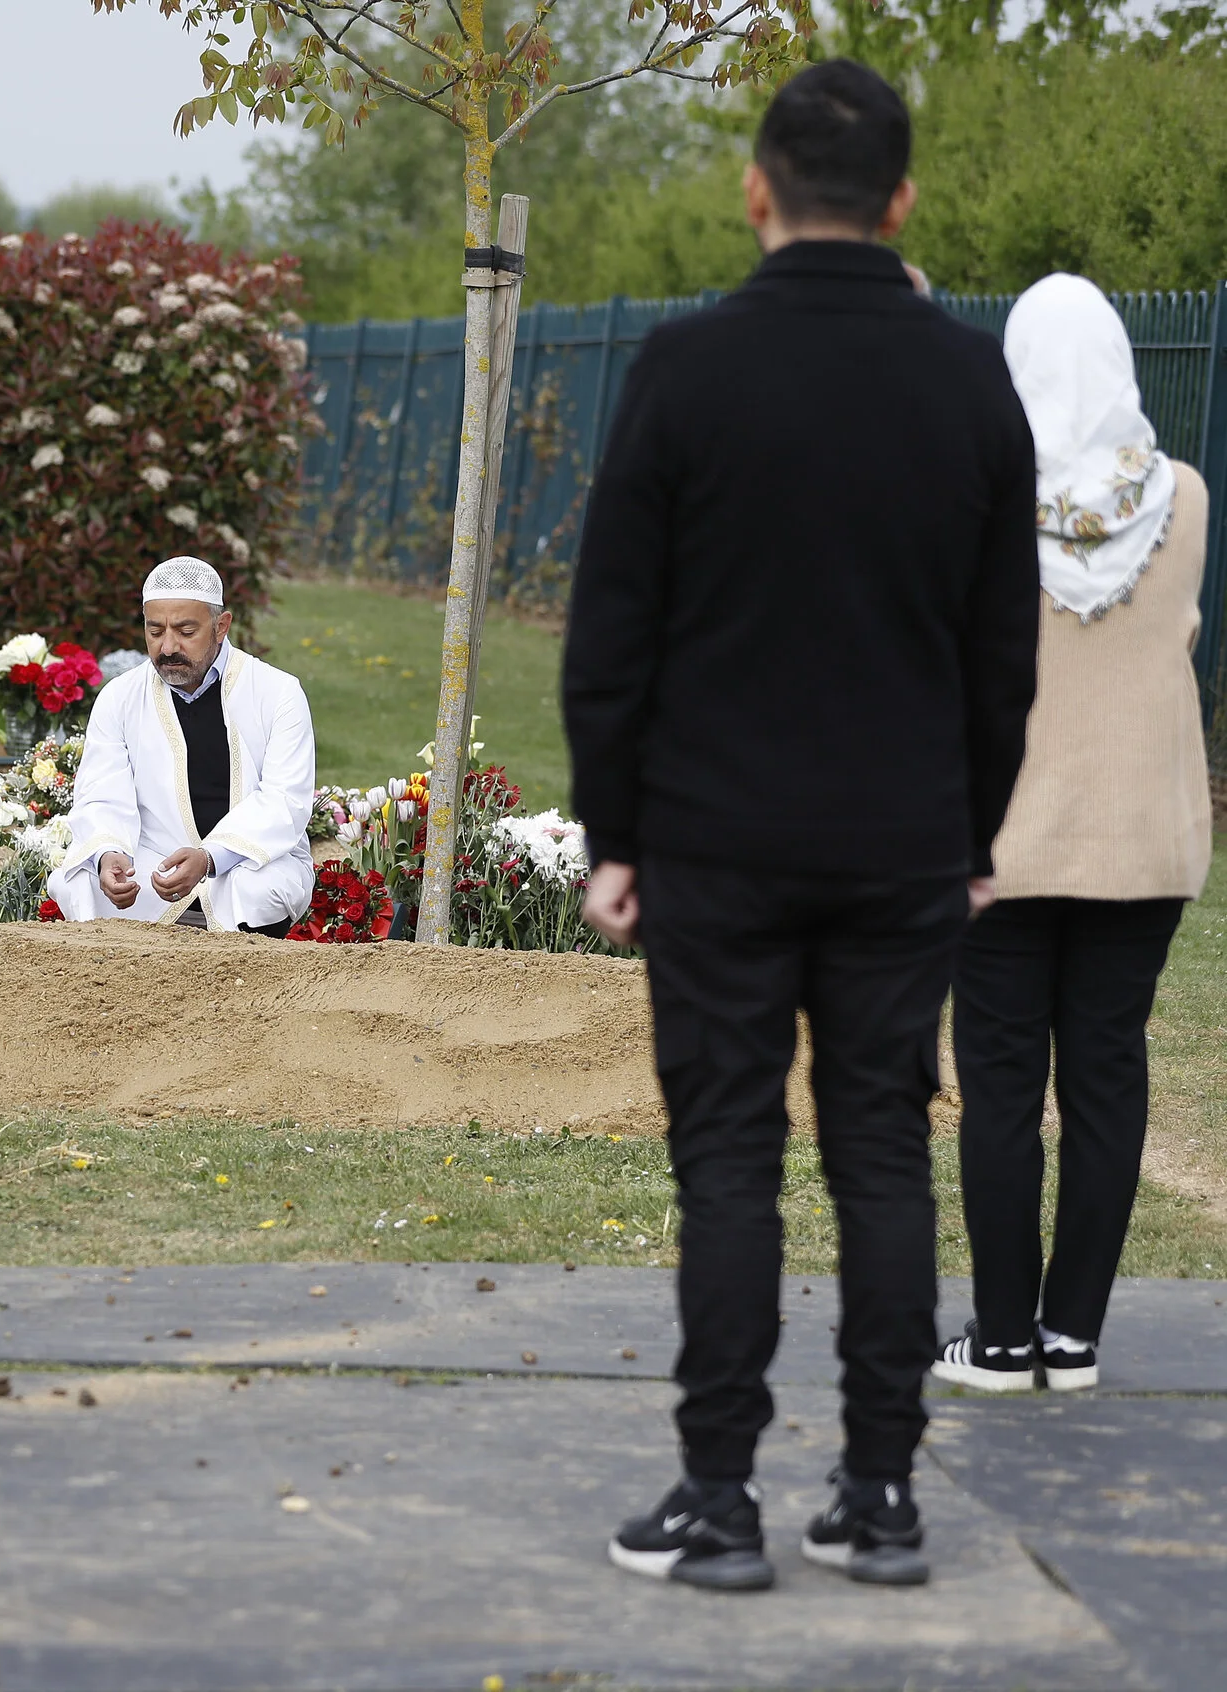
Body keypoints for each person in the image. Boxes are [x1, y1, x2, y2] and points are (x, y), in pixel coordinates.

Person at [562, 61, 1040, 1590]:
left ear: (757, 190)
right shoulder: (972, 384)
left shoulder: (685, 371)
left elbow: (612, 635)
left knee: (728, 1163)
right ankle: (882, 1496)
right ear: (903, 200)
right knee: (884, 1156)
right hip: (903, 838)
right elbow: (1001, 651)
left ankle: (718, 1499)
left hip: (715, 838)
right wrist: (972, 837)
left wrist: (615, 833)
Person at [933, 275, 1210, 1396]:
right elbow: (1181, 628)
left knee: (999, 1083)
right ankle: (1071, 1334)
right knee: (1107, 1070)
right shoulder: (1183, 497)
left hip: (1004, 835)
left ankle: (1000, 1338)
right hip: (1142, 836)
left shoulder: (976, 496)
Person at [47, 558, 316, 933]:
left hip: (246, 860)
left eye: (186, 630)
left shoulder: (278, 693)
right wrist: (108, 855)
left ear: (221, 626)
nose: (168, 646)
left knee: (260, 890)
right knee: (79, 881)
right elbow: (100, 794)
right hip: (154, 863)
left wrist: (210, 858)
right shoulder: (119, 697)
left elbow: (284, 801)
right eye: (155, 631)